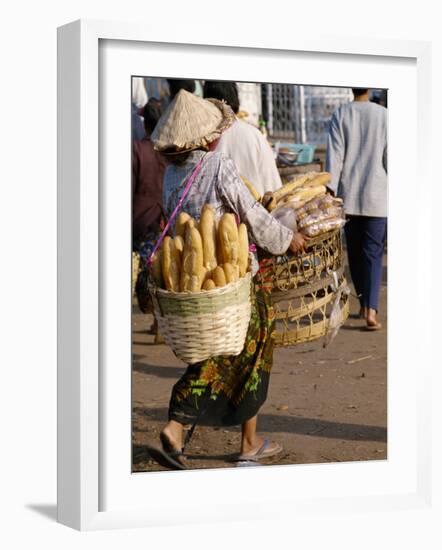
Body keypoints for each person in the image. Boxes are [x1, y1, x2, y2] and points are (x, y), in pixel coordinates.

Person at [147, 90, 305, 469]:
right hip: (232, 280)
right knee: (248, 351)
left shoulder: (171, 174)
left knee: (218, 353)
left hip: (198, 283)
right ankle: (221, 436)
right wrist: (287, 239)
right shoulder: (217, 165)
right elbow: (250, 213)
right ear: (204, 138)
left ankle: (190, 431)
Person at [326, 88, 387, 330]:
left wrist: (330, 189)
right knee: (372, 253)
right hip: (377, 196)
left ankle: (364, 304)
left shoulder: (341, 114)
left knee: (355, 253)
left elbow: (335, 155)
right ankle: (370, 310)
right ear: (371, 88)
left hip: (349, 196)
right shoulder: (384, 116)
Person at [203, 81, 282, 196]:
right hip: (259, 209)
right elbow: (275, 189)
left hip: (214, 213)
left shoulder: (202, 140)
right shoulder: (255, 135)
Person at [132, 99, 167, 317]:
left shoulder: (137, 150)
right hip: (164, 226)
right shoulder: (169, 151)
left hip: (140, 227)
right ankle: (158, 322)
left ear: (145, 124)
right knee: (160, 277)